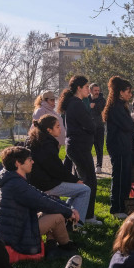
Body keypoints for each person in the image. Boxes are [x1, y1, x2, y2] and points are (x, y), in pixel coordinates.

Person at [0, 146, 79, 257]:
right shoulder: (16, 184)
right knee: (57, 217)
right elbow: (42, 201)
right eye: (29, 159)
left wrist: (68, 208)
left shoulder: (13, 179)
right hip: (16, 235)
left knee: (51, 210)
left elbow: (41, 196)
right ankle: (65, 246)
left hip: (13, 229)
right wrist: (68, 212)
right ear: (18, 163)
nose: (33, 162)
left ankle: (53, 244)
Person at [28, 115, 91, 222]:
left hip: (37, 182)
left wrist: (73, 180)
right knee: (85, 190)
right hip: (44, 184)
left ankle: (67, 217)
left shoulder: (38, 140)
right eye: (57, 126)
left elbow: (56, 169)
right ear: (49, 130)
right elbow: (56, 170)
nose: (60, 128)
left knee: (77, 190)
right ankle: (77, 224)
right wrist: (75, 180)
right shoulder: (47, 144)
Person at [59, 75, 101, 225]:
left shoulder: (74, 103)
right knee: (90, 182)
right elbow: (90, 125)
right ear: (79, 88)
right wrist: (92, 125)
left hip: (77, 146)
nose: (87, 90)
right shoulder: (76, 104)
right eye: (85, 87)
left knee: (81, 183)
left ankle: (73, 212)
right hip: (79, 147)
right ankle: (87, 216)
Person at [104, 76, 134, 219]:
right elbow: (128, 125)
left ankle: (122, 205)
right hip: (119, 146)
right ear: (121, 92)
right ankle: (116, 207)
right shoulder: (116, 107)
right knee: (120, 177)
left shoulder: (121, 106)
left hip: (124, 145)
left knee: (125, 177)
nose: (130, 94)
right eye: (128, 91)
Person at [89, 83, 107, 175]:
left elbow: (100, 108)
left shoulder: (102, 100)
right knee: (88, 148)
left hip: (99, 127)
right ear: (90, 91)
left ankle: (99, 166)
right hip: (88, 128)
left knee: (99, 147)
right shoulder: (86, 99)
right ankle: (90, 166)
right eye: (95, 90)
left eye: (98, 90)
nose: (97, 92)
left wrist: (93, 106)